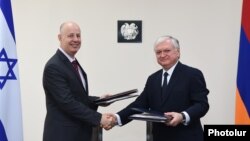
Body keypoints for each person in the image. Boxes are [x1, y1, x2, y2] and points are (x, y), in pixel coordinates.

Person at [110, 35, 209, 141]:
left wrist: (182, 116)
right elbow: (139, 105)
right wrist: (116, 118)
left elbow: (201, 105)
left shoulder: (192, 74)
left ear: (178, 52)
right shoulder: (153, 79)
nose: (162, 55)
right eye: (158, 52)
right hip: (159, 137)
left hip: (187, 137)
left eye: (167, 50)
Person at [42, 21, 113, 141]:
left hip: (78, 133)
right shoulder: (54, 66)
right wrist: (99, 118)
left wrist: (98, 100)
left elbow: (76, 96)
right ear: (60, 38)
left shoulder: (72, 62)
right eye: (71, 35)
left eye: (78, 35)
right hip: (62, 135)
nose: (76, 39)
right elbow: (67, 102)